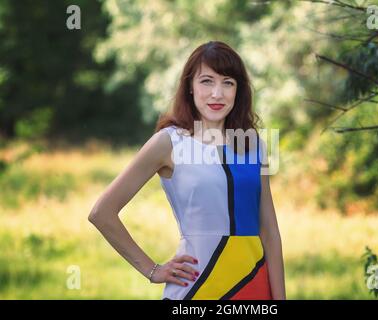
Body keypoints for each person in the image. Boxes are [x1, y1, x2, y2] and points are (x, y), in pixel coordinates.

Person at [88, 40, 286, 300]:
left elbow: (269, 229)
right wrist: (152, 270)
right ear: (190, 87)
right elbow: (102, 213)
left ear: (238, 91)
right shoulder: (168, 142)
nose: (217, 93)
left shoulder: (255, 145)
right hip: (196, 288)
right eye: (206, 81)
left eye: (228, 82)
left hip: (253, 287)